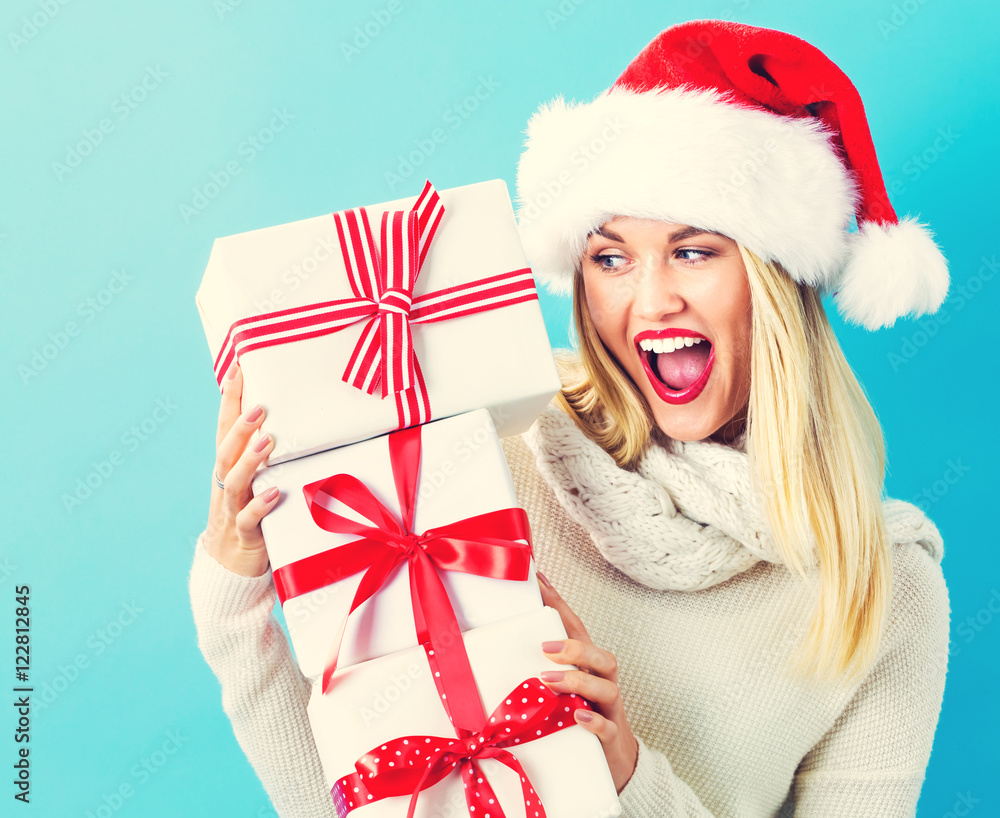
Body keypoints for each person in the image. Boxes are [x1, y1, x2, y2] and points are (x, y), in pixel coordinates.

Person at [189, 20, 951, 818]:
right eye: (610, 257)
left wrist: (625, 774)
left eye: (695, 252)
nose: (652, 300)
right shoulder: (489, 460)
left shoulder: (887, 590)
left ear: (778, 280)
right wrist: (236, 578)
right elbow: (346, 793)